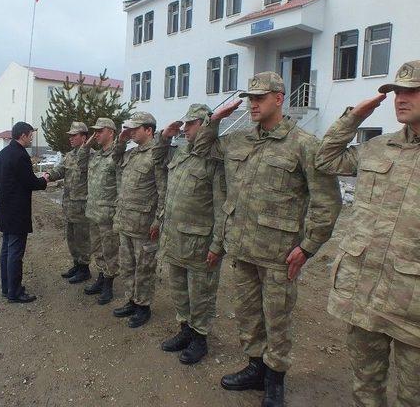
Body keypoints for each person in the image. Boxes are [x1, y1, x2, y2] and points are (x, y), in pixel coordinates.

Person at [204, 72, 342, 406]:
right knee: (248, 314)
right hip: (242, 248)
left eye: (259, 98)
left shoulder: (304, 144)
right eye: (250, 98)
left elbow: (327, 201)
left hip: (279, 255)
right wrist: (213, 121)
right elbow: (201, 147)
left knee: (277, 319)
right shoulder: (240, 141)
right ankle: (255, 368)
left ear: (279, 99)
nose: (252, 104)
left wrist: (308, 247)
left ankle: (275, 380)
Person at [315, 60, 420, 407]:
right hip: (364, 295)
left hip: (413, 308)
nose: (401, 99)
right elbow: (325, 160)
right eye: (397, 92)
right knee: (365, 388)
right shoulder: (378, 147)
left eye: (412, 91)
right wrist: (354, 116)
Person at [158, 104, 226, 364]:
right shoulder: (183, 152)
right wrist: (163, 137)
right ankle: (185, 331)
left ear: (205, 125)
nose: (185, 129)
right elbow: (157, 160)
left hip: (200, 242)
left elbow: (222, 207)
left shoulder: (214, 159)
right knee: (179, 290)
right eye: (184, 125)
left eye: (190, 124)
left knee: (201, 294)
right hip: (175, 237)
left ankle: (200, 338)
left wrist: (218, 244)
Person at [112, 111, 170, 328]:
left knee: (144, 267)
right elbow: (115, 162)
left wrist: (158, 220)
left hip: (145, 225)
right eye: (131, 128)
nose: (132, 132)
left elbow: (163, 191)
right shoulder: (132, 153)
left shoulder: (157, 154)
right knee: (128, 265)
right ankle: (131, 300)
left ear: (149, 130)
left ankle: (143, 306)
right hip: (126, 220)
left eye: (136, 129)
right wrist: (120, 141)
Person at [0, 121, 47, 304]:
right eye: (30, 135)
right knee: (15, 252)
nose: (32, 138)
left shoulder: (2, 154)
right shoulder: (19, 155)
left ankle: (7, 288)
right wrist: (44, 180)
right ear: (23, 135)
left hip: (5, 209)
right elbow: (30, 182)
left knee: (6, 251)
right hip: (17, 212)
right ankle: (15, 292)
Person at [44, 122, 92, 284]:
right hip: (69, 206)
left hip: (83, 207)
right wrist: (47, 176)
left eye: (74, 135)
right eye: (70, 135)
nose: (71, 138)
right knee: (71, 238)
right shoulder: (70, 155)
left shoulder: (91, 156)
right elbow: (59, 171)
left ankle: (84, 269)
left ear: (84, 137)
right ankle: (77, 264)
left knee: (82, 239)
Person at [82, 118, 120, 305]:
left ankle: (109, 285)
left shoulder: (118, 155)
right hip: (93, 212)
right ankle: (101, 277)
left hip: (108, 214)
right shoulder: (95, 156)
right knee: (97, 250)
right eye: (94, 131)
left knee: (110, 251)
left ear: (111, 132)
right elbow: (81, 158)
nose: (96, 134)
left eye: (100, 131)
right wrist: (90, 141)